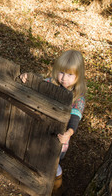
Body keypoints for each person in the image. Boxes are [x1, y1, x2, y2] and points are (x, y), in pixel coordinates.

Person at [20, 49, 87, 194]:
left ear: (78, 76)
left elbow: (74, 120)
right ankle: (33, 181)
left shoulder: (78, 97)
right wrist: (27, 77)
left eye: (70, 75)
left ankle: (56, 188)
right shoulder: (52, 83)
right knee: (36, 154)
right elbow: (37, 84)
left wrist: (68, 133)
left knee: (53, 163)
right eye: (61, 72)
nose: (64, 78)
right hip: (42, 129)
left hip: (60, 137)